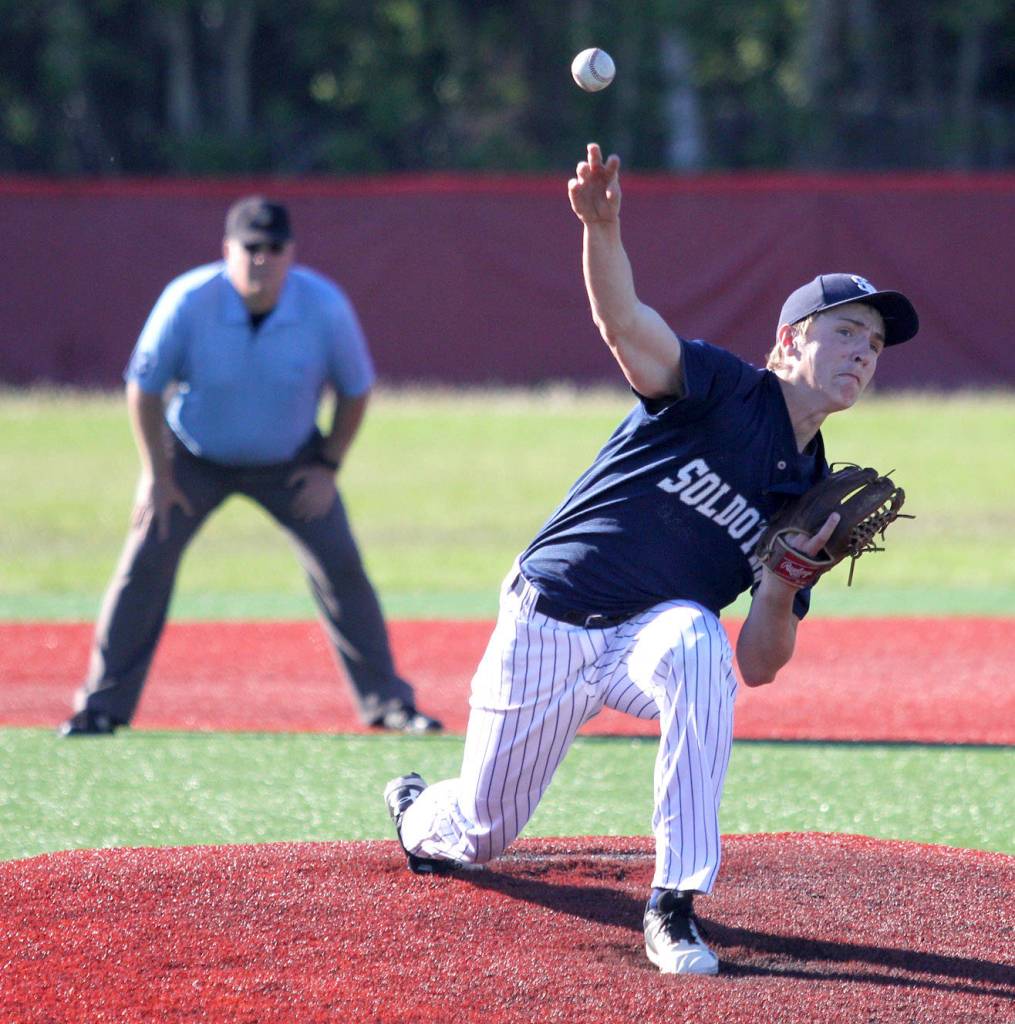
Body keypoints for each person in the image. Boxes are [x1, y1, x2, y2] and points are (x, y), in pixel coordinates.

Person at [383, 144, 919, 974]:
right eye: (844, 332)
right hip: (550, 618)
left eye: (874, 345)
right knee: (479, 834)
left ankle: (674, 903)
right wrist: (601, 227)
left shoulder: (810, 494)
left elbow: (759, 666)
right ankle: (418, 811)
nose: (861, 353)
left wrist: (779, 591)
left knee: (698, 642)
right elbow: (623, 324)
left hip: (647, 639)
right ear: (787, 343)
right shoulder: (718, 388)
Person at [60, 196, 441, 737]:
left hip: (291, 461)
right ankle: (101, 706)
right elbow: (143, 390)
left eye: (273, 247)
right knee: (143, 565)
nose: (261, 259)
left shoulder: (323, 305)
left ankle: (390, 704)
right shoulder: (188, 300)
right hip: (192, 457)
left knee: (343, 568)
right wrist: (156, 474)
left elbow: (356, 391)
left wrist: (328, 466)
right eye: (250, 248)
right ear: (227, 251)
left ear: (291, 253)